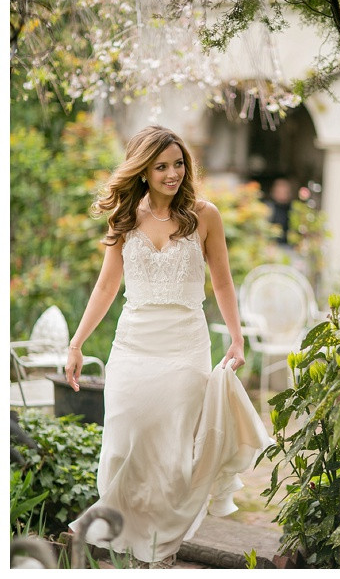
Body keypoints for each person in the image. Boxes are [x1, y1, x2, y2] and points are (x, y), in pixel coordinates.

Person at [65, 125, 273, 568]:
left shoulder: (205, 216)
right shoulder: (123, 219)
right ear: (142, 171)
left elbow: (221, 281)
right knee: (123, 445)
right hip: (134, 343)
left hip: (184, 345)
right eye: (161, 166)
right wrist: (77, 343)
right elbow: (106, 286)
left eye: (178, 164)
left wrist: (237, 337)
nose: (173, 173)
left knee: (174, 454)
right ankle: (130, 535)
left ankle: (161, 549)